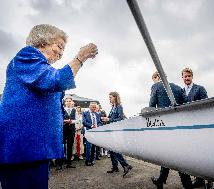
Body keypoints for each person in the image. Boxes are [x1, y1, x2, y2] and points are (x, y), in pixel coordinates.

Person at [0, 24, 98, 189]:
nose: (61, 53)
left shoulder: (41, 67)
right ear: (43, 42)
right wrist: (80, 57)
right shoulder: (27, 55)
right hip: (24, 148)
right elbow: (57, 80)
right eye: (59, 46)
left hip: (35, 148)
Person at [149, 72, 192, 189]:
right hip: (179, 126)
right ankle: (160, 180)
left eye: (154, 79)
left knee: (174, 157)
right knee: (170, 155)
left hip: (164, 126)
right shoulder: (178, 88)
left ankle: (188, 186)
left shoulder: (156, 86)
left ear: (157, 78)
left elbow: (151, 106)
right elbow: (186, 104)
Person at [181, 68, 208, 188]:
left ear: (192, 77)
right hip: (187, 127)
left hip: (200, 125)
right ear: (182, 78)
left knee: (202, 154)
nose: (187, 78)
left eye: (189, 76)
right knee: (193, 154)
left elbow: (206, 105)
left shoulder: (200, 88)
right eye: (185, 76)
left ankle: (208, 180)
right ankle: (199, 179)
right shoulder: (181, 91)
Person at [101, 92, 133, 178]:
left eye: (110, 97)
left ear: (115, 97)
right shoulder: (113, 107)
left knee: (114, 149)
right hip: (112, 130)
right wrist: (106, 119)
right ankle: (115, 167)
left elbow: (120, 118)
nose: (109, 99)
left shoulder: (119, 107)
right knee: (111, 150)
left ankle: (126, 165)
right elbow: (112, 119)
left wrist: (109, 119)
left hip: (117, 131)